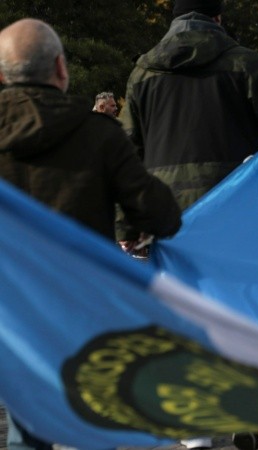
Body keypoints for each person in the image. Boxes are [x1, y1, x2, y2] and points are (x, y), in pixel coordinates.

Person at [0, 18, 182, 450]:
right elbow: (160, 213)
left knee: (28, 420)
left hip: (10, 305)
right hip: (81, 300)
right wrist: (139, 227)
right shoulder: (98, 134)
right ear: (61, 68)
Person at [120, 0, 258, 211]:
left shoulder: (141, 74)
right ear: (217, 19)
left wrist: (126, 226)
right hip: (237, 199)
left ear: (174, 21)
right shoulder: (247, 64)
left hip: (165, 209)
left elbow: (124, 155)